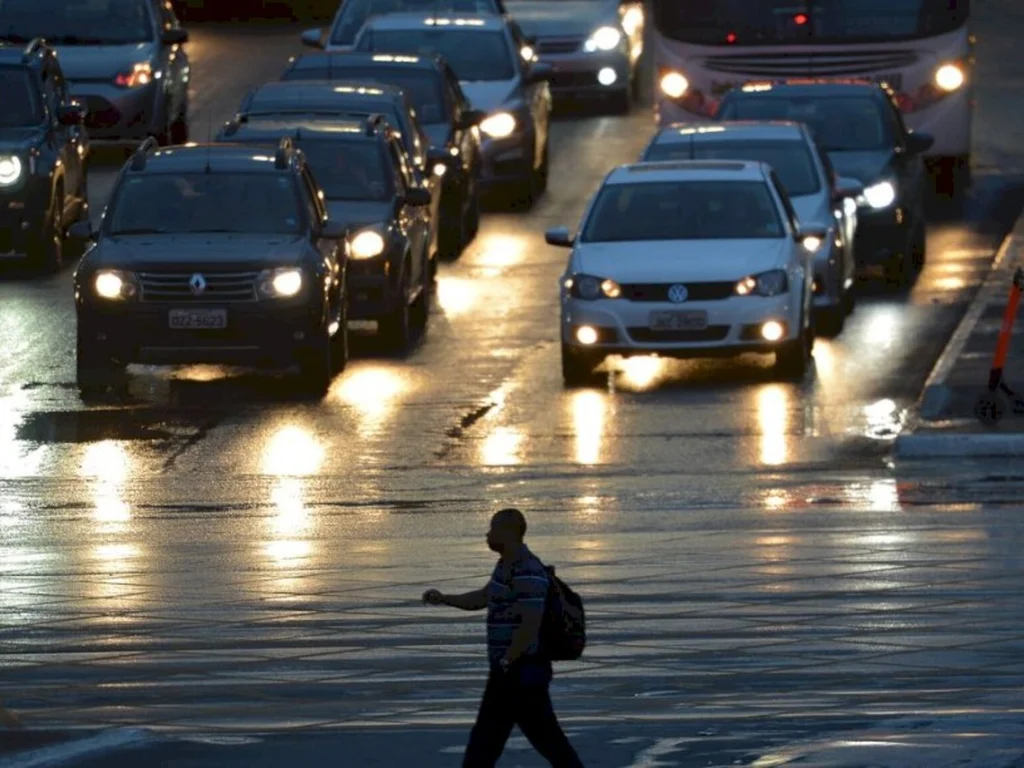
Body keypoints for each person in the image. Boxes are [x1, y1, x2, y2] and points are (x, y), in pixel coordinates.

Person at [422, 508, 584, 768]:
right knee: (490, 744)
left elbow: (530, 624)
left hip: (522, 672)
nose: (487, 535)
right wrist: (444, 599)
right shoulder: (506, 565)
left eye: (492, 529)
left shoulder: (526, 570)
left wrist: (509, 659)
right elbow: (482, 598)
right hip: (510, 671)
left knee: (542, 742)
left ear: (508, 533)